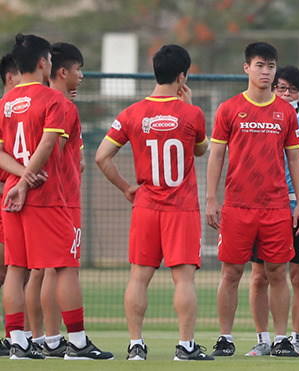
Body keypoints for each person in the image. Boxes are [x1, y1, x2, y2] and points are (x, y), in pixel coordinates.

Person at [96, 44, 213, 361]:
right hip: (181, 208)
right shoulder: (192, 113)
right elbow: (202, 150)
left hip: (145, 205)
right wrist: (187, 106)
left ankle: (136, 345)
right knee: (184, 278)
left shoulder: (131, 113)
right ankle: (185, 347)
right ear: (181, 77)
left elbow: (101, 156)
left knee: (138, 277)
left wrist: (125, 187)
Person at [0, 33, 112, 360]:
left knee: (17, 268)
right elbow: (48, 145)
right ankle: (76, 342)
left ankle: (18, 341)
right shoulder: (54, 101)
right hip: (44, 195)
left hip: (11, 194)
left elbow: (2, 153)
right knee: (64, 267)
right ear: (42, 63)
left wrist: (19, 178)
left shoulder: (4, 103)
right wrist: (28, 182)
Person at [205, 42, 299, 358]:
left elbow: (295, 160)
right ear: (246, 68)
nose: (266, 71)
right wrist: (211, 198)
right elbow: (216, 155)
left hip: (276, 207)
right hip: (237, 206)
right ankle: (225, 338)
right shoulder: (229, 108)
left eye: (271, 66)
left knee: (277, 273)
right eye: (260, 65)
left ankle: (280, 339)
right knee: (231, 273)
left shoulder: (286, 112)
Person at [246, 65, 299, 357]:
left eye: (292, 89)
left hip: (298, 210)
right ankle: (263, 339)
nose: (285, 93)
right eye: (281, 87)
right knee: (259, 276)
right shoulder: (258, 120)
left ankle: (295, 338)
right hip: (263, 209)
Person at [23, 42, 85, 358]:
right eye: (78, 70)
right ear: (60, 70)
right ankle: (57, 339)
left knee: (35, 269)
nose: (82, 76)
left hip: (32, 193)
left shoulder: (26, 102)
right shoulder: (58, 106)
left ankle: (38, 338)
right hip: (58, 197)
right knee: (56, 269)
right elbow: (56, 154)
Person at [0, 52, 22, 357]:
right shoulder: (5, 109)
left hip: (13, 193)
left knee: (10, 272)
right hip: (6, 193)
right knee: (10, 271)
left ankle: (16, 337)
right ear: (9, 78)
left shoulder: (21, 111)